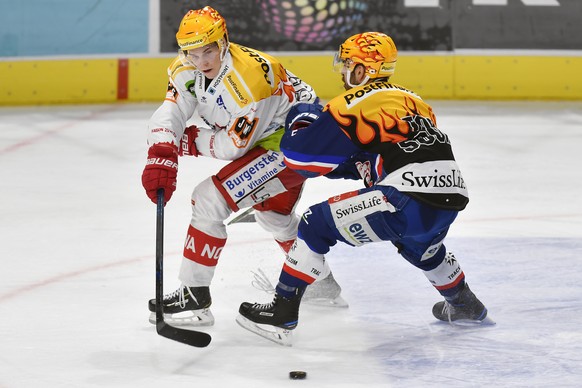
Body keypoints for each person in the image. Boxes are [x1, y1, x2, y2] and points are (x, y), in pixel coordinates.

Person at [236, 32, 491, 346]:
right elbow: (379, 160)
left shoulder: (352, 102)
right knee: (420, 246)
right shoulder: (415, 101)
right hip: (449, 196)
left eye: (347, 64)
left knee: (314, 223)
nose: (343, 70)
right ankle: (465, 304)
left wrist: (300, 118)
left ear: (362, 70)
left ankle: (283, 310)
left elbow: (299, 157)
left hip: (405, 196)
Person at [141, 6, 346, 328]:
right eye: (192, 54)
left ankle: (195, 295)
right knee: (274, 217)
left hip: (293, 144)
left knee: (209, 198)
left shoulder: (250, 79)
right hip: (281, 139)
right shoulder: (184, 68)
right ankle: (321, 283)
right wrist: (161, 149)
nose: (202, 61)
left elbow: (233, 146)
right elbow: (172, 110)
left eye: (208, 51)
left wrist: (187, 143)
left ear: (224, 42)